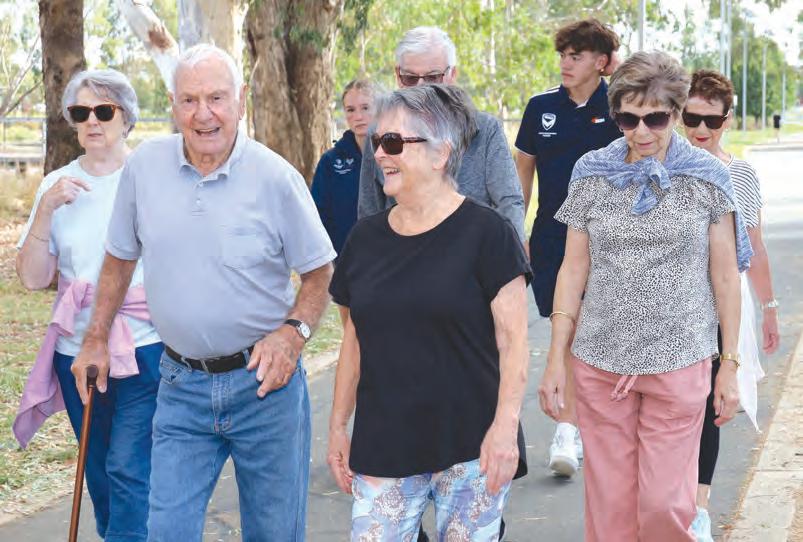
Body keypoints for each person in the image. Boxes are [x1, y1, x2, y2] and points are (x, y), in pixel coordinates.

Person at [72, 44, 335, 541]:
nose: (203, 114)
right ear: (173, 104)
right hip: (180, 385)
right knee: (166, 531)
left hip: (265, 387)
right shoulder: (144, 168)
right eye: (189, 100)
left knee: (274, 534)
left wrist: (293, 334)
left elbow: (320, 272)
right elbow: (120, 259)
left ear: (241, 99)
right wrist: (96, 338)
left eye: (216, 98)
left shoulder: (276, 178)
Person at [538, 51, 753, 541]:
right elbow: (573, 268)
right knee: (611, 509)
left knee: (664, 506)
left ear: (675, 113)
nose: (641, 132)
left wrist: (729, 365)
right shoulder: (591, 171)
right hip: (599, 361)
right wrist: (555, 359)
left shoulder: (706, 176)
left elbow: (725, 276)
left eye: (655, 118)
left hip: (680, 360)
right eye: (627, 119)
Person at [327, 84, 530, 541]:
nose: (380, 153)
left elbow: (514, 342)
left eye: (394, 142)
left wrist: (505, 428)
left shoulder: (488, 234)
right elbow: (354, 341)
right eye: (377, 141)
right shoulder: (364, 239)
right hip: (385, 440)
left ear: (441, 154)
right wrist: (338, 426)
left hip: (471, 443)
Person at [13, 69, 162, 542]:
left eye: (104, 110)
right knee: (97, 473)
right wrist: (45, 210)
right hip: (76, 355)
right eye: (81, 112)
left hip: (144, 348)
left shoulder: (151, 178)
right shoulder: (56, 185)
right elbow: (33, 278)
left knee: (128, 467)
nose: (92, 121)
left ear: (126, 116)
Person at [514, 18, 621, 477]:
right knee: (569, 330)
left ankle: (570, 427)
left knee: (589, 333)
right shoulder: (540, 108)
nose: (565, 63)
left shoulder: (620, 109)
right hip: (552, 241)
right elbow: (521, 175)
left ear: (601, 62)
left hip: (611, 242)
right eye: (563, 55)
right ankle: (573, 426)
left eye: (576, 56)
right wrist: (514, 232)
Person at [682, 69, 780, 542]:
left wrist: (769, 307)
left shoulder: (740, 174)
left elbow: (754, 247)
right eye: (692, 118)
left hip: (724, 301)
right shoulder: (664, 163)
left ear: (727, 120)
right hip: (673, 302)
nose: (701, 129)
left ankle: (698, 509)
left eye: (712, 121)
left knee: (709, 404)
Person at [358, 26, 525, 243]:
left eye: (432, 77)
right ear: (398, 75)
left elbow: (509, 203)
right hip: (403, 257)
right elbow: (369, 212)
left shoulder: (485, 129)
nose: (421, 87)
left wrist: (508, 257)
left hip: (474, 256)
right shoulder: (379, 134)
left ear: (452, 75)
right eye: (410, 78)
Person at [312, 78, 377, 257]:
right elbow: (318, 217)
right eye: (351, 110)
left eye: (365, 107)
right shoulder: (330, 162)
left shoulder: (394, 155)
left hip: (388, 259)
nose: (358, 116)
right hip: (344, 261)